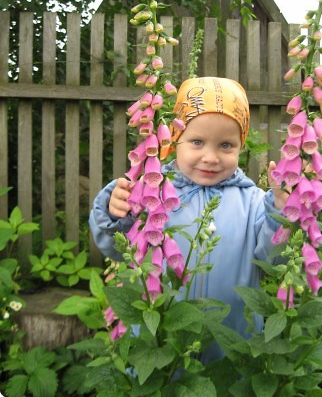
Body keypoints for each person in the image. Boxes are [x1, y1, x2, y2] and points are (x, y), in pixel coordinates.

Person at [89, 76, 288, 362]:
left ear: (240, 147)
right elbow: (117, 250)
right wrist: (111, 211)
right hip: (160, 341)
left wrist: (279, 211)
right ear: (174, 140)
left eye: (226, 145)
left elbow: (274, 260)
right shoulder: (152, 191)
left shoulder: (255, 203)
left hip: (231, 347)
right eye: (197, 142)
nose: (211, 157)